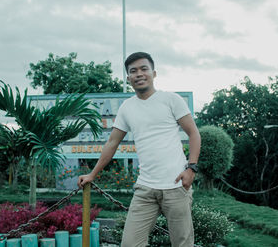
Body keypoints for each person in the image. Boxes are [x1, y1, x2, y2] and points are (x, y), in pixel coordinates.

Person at [78, 52, 201, 247]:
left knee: (183, 243)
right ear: (128, 78)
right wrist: (93, 174)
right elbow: (112, 143)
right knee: (129, 244)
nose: (139, 74)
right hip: (145, 188)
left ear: (154, 73)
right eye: (133, 71)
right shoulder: (127, 108)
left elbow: (194, 133)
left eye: (144, 69)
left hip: (177, 186)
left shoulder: (171, 100)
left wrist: (191, 168)